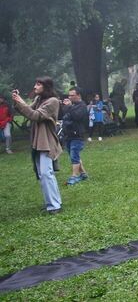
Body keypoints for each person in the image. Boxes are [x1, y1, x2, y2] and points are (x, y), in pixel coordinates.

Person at [11, 77, 63, 214]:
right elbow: (27, 110)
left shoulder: (53, 101)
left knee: (46, 173)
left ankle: (55, 205)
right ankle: (52, 203)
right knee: (42, 173)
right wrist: (17, 100)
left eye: (38, 84)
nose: (35, 86)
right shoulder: (39, 100)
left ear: (46, 87)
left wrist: (21, 102)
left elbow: (35, 115)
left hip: (46, 140)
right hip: (38, 139)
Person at [59, 87, 90, 185]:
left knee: (74, 155)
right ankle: (83, 174)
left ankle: (74, 176)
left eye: (72, 95)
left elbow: (77, 116)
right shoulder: (71, 106)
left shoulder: (82, 106)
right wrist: (63, 106)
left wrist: (69, 107)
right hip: (68, 135)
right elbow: (64, 116)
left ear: (78, 95)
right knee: (74, 155)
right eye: (69, 95)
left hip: (78, 135)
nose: (70, 97)